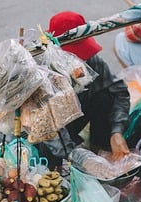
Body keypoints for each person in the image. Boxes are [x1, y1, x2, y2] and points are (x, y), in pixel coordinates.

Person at [40, 11, 131, 164]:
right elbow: (46, 125)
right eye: (73, 55)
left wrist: (117, 130)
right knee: (43, 146)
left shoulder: (91, 61)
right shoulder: (43, 72)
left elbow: (119, 93)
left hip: (77, 115)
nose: (79, 60)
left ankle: (101, 147)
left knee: (106, 95)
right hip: (50, 128)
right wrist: (73, 154)